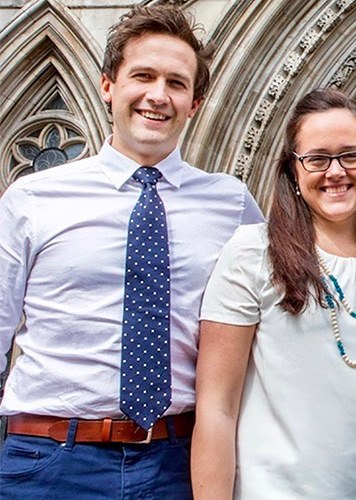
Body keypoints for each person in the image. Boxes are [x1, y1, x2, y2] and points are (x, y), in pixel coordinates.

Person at [0, 5, 263, 497]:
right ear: (108, 86)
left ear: (194, 103)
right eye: (143, 76)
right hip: (50, 463)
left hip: (178, 462)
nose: (157, 95)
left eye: (176, 83)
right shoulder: (32, 200)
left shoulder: (233, 206)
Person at [191, 88, 356, 499]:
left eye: (351, 155)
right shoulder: (253, 253)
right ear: (293, 170)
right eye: (317, 159)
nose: (336, 171)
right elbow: (216, 409)